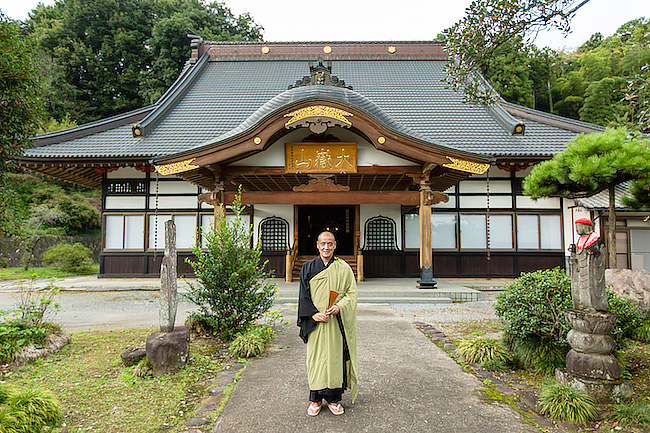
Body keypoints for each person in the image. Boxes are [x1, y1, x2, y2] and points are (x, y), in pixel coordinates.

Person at [297, 230, 358, 417]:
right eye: (323, 243)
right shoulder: (307, 268)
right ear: (317, 245)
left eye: (330, 244)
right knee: (316, 360)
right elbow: (303, 296)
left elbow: (351, 293)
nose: (326, 247)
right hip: (316, 324)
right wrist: (313, 314)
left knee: (335, 358)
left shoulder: (344, 268)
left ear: (335, 245)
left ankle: (333, 399)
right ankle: (315, 399)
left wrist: (340, 306)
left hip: (335, 323)